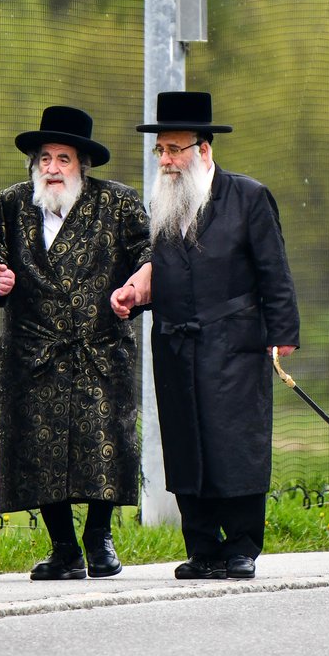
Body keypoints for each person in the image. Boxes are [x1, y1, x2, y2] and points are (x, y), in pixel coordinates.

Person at [111, 90, 299, 581]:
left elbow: (274, 271)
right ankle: (202, 548)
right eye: (162, 151)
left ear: (204, 150)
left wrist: (282, 334)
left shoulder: (249, 197)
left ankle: (240, 547)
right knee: (185, 445)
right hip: (175, 343)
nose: (168, 161)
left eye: (176, 150)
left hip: (234, 344)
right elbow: (163, 272)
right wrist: (135, 294)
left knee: (234, 443)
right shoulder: (162, 203)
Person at [0, 104, 150, 581]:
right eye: (45, 158)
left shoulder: (118, 202)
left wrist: (134, 290)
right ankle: (63, 549)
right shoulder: (14, 203)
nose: (52, 169)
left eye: (63, 159)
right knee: (36, 449)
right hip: (32, 351)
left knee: (104, 444)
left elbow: (149, 254)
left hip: (100, 347)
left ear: (82, 165)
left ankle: (100, 539)